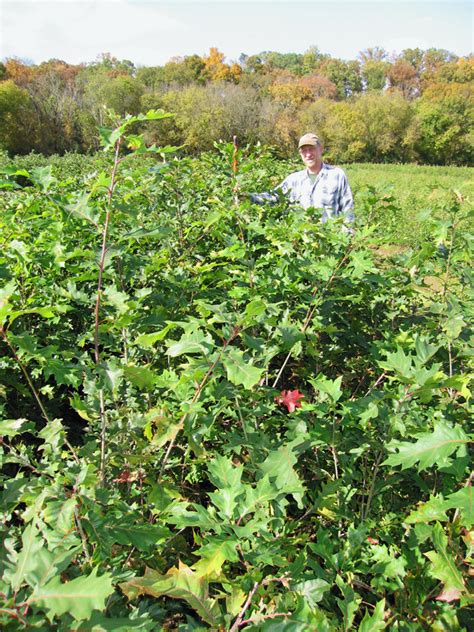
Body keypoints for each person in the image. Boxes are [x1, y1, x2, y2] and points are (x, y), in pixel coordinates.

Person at [250, 133, 354, 225]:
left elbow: (347, 209)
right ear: (300, 154)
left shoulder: (337, 175)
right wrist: (248, 197)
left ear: (320, 149)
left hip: (330, 243)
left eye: (311, 149)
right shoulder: (293, 180)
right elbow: (274, 196)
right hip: (301, 243)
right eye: (304, 151)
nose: (308, 154)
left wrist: (347, 239)